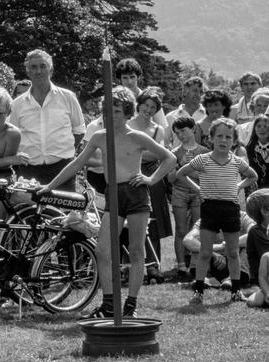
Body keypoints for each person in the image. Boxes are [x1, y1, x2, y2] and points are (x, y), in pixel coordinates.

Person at [41, 87, 176, 319]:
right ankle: (109, 303)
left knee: (135, 250)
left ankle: (131, 305)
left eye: (115, 110)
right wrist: (49, 187)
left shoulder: (136, 136)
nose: (110, 115)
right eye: (107, 111)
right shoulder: (99, 137)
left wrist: (151, 179)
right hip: (113, 194)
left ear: (126, 112)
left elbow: (170, 157)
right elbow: (76, 164)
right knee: (103, 250)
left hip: (135, 195)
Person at [175, 117, 258, 304]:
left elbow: (253, 176)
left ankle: (236, 291)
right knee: (204, 252)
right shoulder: (203, 160)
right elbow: (180, 174)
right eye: (219, 136)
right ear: (211, 138)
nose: (224, 140)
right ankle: (198, 292)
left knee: (233, 252)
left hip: (231, 209)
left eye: (228, 137)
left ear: (234, 140)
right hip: (209, 209)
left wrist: (238, 187)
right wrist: (198, 190)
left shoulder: (236, 161)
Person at [8, 49, 85, 191]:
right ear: (28, 72)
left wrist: (62, 151)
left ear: (50, 69)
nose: (38, 71)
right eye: (33, 67)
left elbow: (79, 131)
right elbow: (12, 136)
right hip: (29, 172)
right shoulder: (17, 104)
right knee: (28, 212)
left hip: (62, 169)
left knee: (63, 213)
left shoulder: (68, 97)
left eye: (42, 66)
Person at [129, 87, 172, 273]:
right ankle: (128, 266)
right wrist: (147, 153)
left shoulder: (158, 129)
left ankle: (154, 266)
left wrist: (137, 152)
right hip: (130, 173)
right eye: (146, 105)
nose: (148, 109)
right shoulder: (127, 124)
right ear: (139, 105)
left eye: (153, 107)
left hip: (152, 176)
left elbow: (160, 155)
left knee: (153, 221)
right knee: (129, 221)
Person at [168, 116, 208, 278]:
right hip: (179, 193)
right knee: (180, 229)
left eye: (183, 131)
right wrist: (182, 165)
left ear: (193, 129)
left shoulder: (204, 152)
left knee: (196, 229)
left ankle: (194, 264)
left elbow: (205, 176)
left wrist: (185, 169)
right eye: (177, 133)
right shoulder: (173, 153)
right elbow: (170, 178)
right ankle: (181, 266)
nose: (181, 135)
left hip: (198, 192)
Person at [165, 76, 206, 146]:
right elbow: (164, 143)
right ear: (185, 92)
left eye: (201, 92)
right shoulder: (171, 117)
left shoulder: (207, 116)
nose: (198, 94)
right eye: (195, 90)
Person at [241, 114, 269, 191]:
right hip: (257, 189)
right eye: (258, 126)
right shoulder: (250, 148)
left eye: (265, 126)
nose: (262, 129)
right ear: (254, 128)